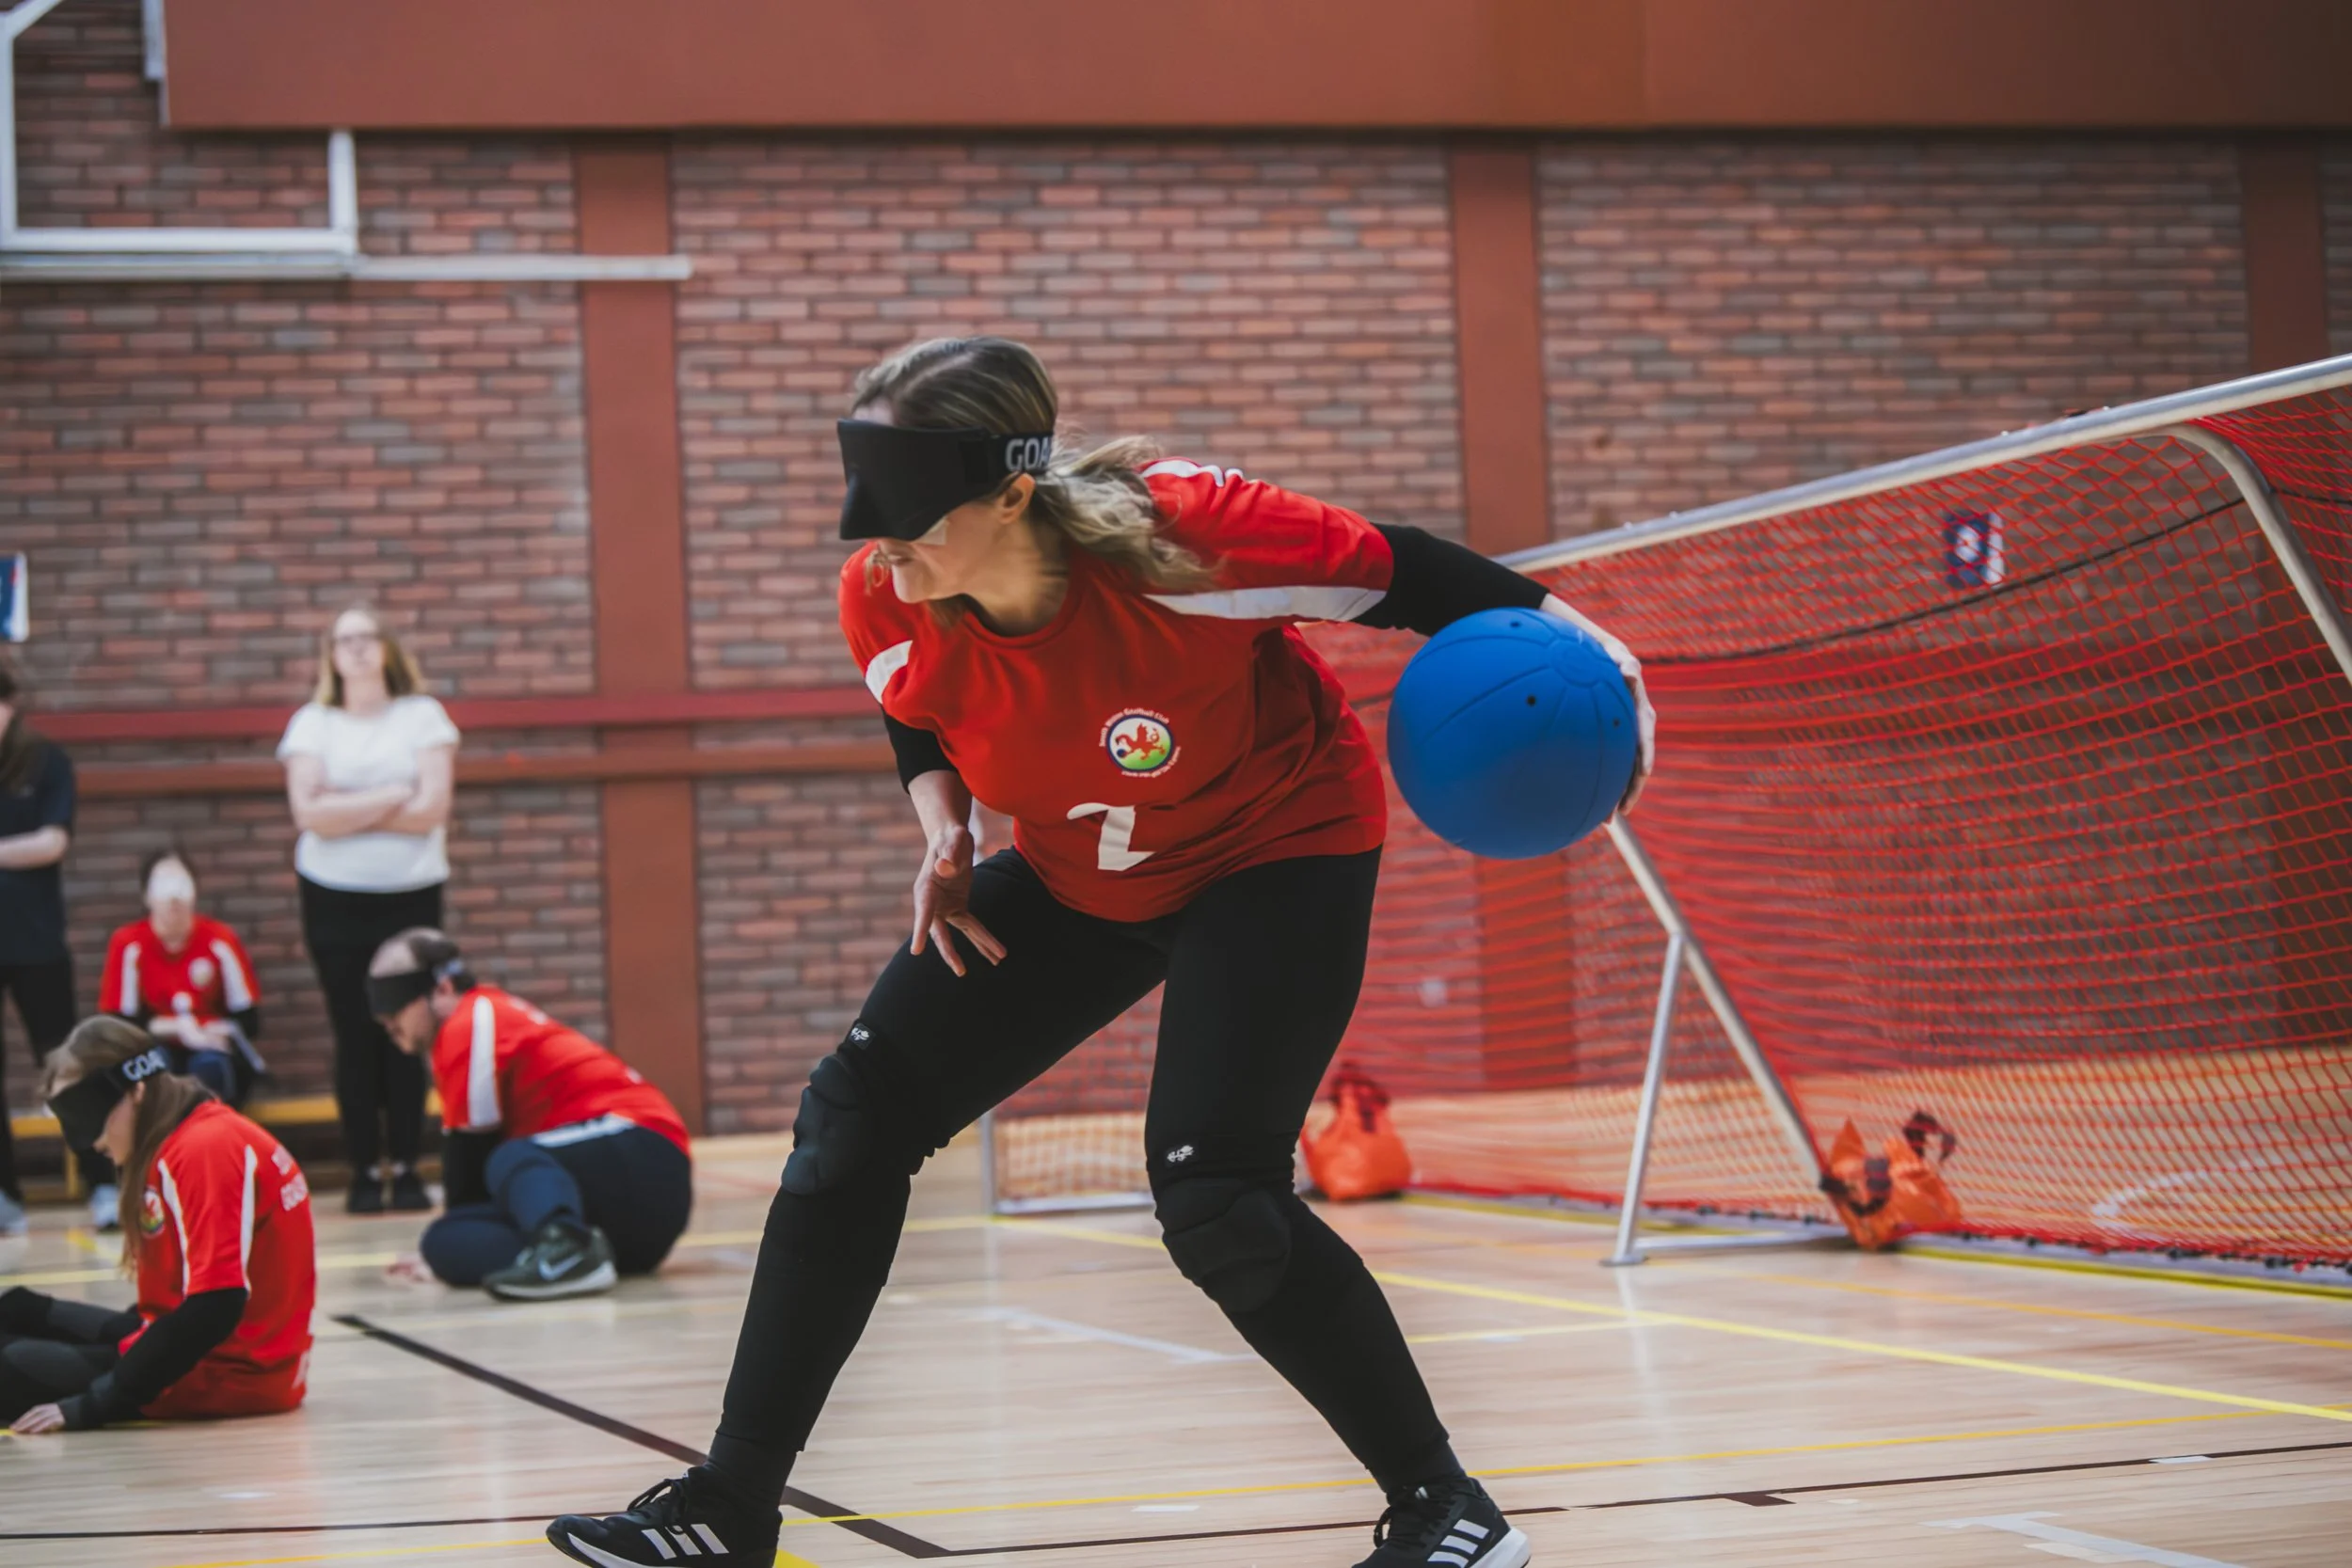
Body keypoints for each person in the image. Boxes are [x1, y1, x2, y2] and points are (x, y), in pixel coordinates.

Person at [547, 338, 1654, 1568]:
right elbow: (909, 709)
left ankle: (1450, 1508)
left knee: (1216, 1194)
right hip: (1083, 870)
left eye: (914, 520)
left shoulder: (1193, 540)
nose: (885, 550)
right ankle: (730, 1502)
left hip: (1275, 849)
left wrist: (1606, 666)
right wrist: (945, 827)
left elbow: (1419, 575)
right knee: (853, 1119)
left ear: (1013, 492)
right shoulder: (885, 588)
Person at [3, 1018, 314, 1434]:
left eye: (85, 1115)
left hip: (228, 1375)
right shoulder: (182, 1136)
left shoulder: (205, 1148)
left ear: (137, 1090)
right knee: (17, 1308)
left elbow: (215, 1306)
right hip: (195, 1347)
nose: (88, 1142)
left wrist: (95, 1405)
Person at [370, 928, 692, 1302]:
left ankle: (566, 1248)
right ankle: (575, 1252)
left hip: (643, 1147)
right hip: (627, 1224)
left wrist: (462, 1218)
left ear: (442, 989)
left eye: (396, 1008)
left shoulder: (472, 1018)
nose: (387, 1022)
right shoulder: (476, 1021)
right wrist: (442, 1251)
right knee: (443, 1243)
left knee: (510, 1157)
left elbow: (469, 1153)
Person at [278, 605, 458, 1214]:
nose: (355, 649)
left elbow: (432, 808)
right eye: (343, 640)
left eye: (366, 637)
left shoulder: (422, 716)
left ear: (386, 648)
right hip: (332, 897)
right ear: (330, 654)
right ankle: (362, 1171)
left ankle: (407, 1167)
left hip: (410, 892)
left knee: (408, 1035)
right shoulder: (312, 723)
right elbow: (309, 815)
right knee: (355, 1034)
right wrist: (390, 795)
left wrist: (345, 806)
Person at [0, 657, 106, 1236]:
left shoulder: (45, 761)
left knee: (64, 1065)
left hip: (36, 940)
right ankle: (4, 1196)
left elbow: (51, 841)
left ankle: (103, 1183)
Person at [100, 848, 265, 1108]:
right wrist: (178, 1029)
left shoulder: (220, 940)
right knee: (156, 1069)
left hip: (211, 1051)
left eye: (181, 883)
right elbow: (120, 1025)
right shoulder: (128, 944)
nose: (173, 896)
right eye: (162, 885)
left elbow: (249, 1021)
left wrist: (218, 1030)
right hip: (156, 1047)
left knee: (209, 1067)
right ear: (146, 895)